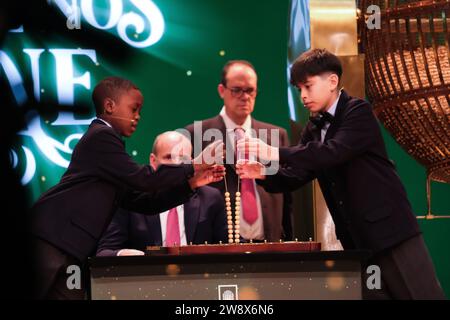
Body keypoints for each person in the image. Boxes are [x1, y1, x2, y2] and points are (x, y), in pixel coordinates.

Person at [236, 49, 445, 299]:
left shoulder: (358, 111)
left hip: (391, 233)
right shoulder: (313, 128)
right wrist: (262, 174)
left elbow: (331, 153)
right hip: (357, 240)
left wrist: (273, 152)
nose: (303, 95)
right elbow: (298, 173)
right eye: (299, 89)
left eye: (308, 86)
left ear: (332, 81)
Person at [30, 77, 224, 299]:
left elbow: (145, 202)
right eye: (134, 109)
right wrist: (194, 164)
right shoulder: (101, 136)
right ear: (110, 106)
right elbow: (145, 179)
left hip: (70, 248)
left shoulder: (109, 150)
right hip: (50, 238)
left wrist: (191, 184)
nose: (138, 116)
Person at [185, 60, 293, 242]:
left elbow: (288, 198)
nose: (244, 96)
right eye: (237, 90)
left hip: (270, 244)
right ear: (222, 90)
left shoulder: (276, 136)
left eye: (250, 90)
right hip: (215, 245)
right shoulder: (196, 134)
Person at [96, 131, 228, 256]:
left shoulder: (210, 198)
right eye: (169, 157)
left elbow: (230, 248)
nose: (177, 164)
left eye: (183, 158)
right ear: (153, 161)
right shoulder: (133, 198)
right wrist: (124, 255)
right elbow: (106, 251)